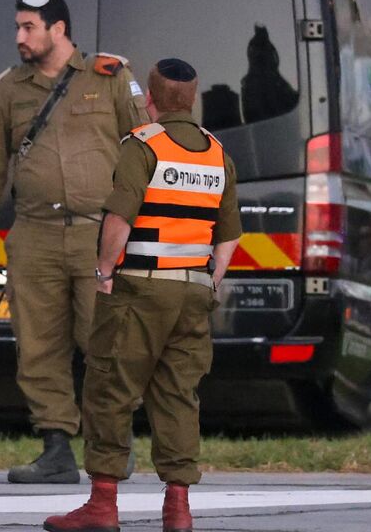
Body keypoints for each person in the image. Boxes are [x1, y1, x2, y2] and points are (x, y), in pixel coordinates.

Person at [44, 59, 240, 532]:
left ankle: (103, 505)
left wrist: (104, 270)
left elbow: (119, 218)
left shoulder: (142, 145)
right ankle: (177, 507)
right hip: (193, 292)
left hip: (139, 289)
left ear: (150, 98)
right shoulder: (217, 153)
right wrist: (210, 280)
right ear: (191, 99)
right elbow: (229, 234)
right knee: (178, 395)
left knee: (110, 387)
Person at [0, 0, 147, 484]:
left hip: (97, 234)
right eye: (18, 27)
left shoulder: (109, 79)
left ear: (58, 29)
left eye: (29, 27)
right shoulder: (9, 89)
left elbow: (144, 153)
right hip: (35, 234)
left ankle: (112, 441)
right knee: (38, 345)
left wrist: (139, 227)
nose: (20, 36)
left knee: (104, 339)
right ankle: (56, 449)